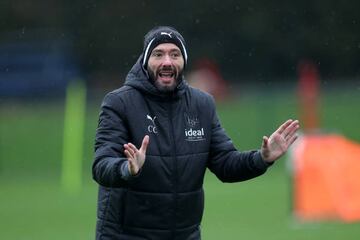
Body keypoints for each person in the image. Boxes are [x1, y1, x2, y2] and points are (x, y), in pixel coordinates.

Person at [92, 26, 300, 240]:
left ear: (183, 61)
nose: (167, 61)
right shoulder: (119, 102)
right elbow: (101, 165)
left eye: (175, 54)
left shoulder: (202, 104)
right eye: (158, 54)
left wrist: (261, 158)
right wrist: (126, 169)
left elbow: (225, 163)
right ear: (145, 61)